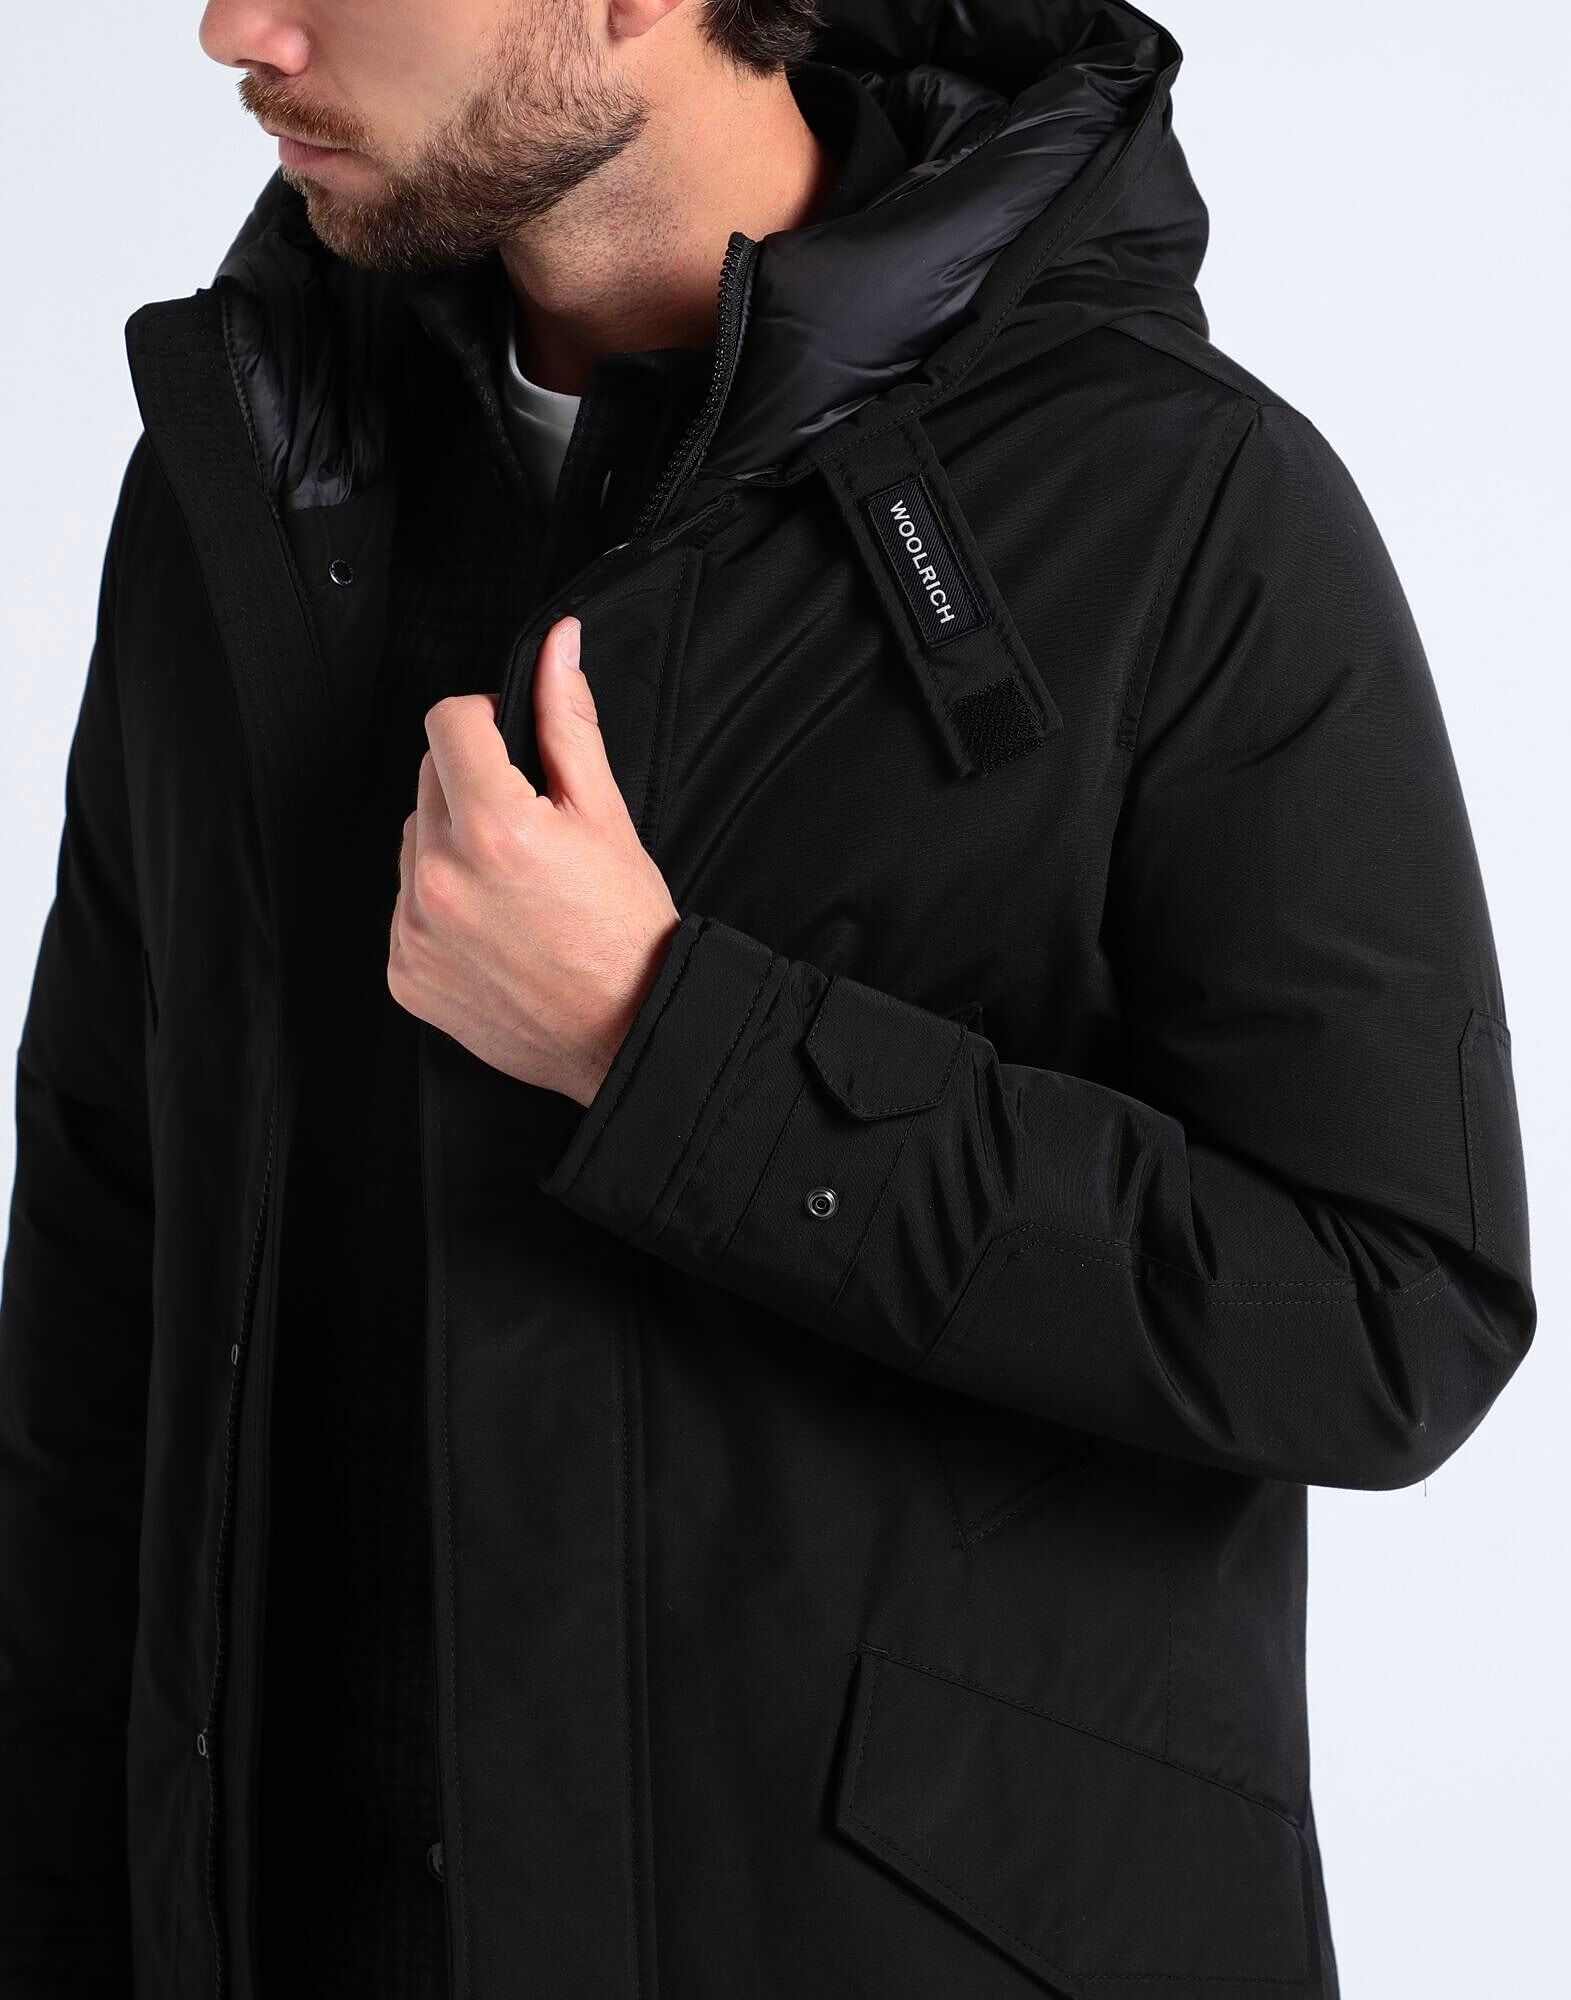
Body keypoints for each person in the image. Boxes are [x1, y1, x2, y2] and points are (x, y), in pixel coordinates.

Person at [0, 2, 1535, 1996]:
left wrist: (663, 1045)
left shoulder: (1176, 499)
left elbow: (1389, 1310)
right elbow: (103, 1286)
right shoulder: (257, 474)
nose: (235, 27)